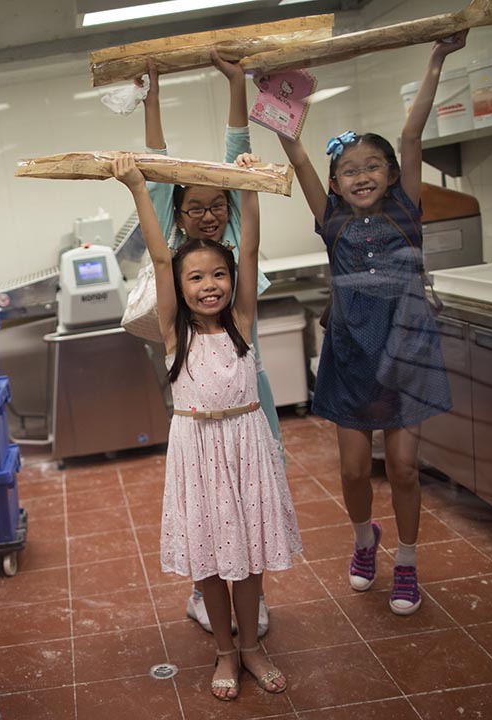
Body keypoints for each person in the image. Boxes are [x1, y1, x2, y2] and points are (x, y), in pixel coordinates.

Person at [269, 34, 465, 615]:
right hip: (352, 357)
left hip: (407, 352)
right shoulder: (329, 221)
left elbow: (412, 131)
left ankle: (406, 563)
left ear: (391, 173)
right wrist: (280, 102)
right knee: (355, 470)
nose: (360, 176)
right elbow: (298, 154)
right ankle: (364, 541)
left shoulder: (407, 208)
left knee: (403, 468)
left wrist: (437, 59)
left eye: (372, 166)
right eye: (348, 170)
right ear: (335, 185)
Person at [113, 152, 301, 701]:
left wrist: (249, 188)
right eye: (195, 277)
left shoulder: (242, 322)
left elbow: (249, 247)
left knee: (247, 562)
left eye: (219, 274)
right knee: (214, 565)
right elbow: (157, 251)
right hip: (198, 454)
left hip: (246, 446)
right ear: (180, 284)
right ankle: (224, 649)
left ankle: (251, 648)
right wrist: (137, 190)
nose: (209, 284)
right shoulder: (174, 332)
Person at [138, 53, 281, 636]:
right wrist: (151, 95)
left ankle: (253, 600)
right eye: (193, 206)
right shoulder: (177, 258)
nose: (204, 214)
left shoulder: (235, 251)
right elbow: (156, 169)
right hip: (196, 397)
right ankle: (206, 596)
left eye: (214, 205)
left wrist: (236, 82)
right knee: (205, 505)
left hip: (251, 393)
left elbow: (237, 165)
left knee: (253, 504)